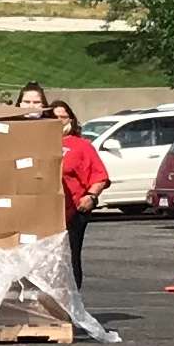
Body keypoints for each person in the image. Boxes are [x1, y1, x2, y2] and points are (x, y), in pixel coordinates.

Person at [57, 105, 109, 291]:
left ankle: (72, 304)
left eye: (64, 117)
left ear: (71, 120)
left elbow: (100, 176)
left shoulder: (81, 146)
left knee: (70, 257)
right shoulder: (38, 145)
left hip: (73, 212)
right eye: (55, 117)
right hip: (46, 214)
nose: (59, 121)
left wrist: (91, 196)